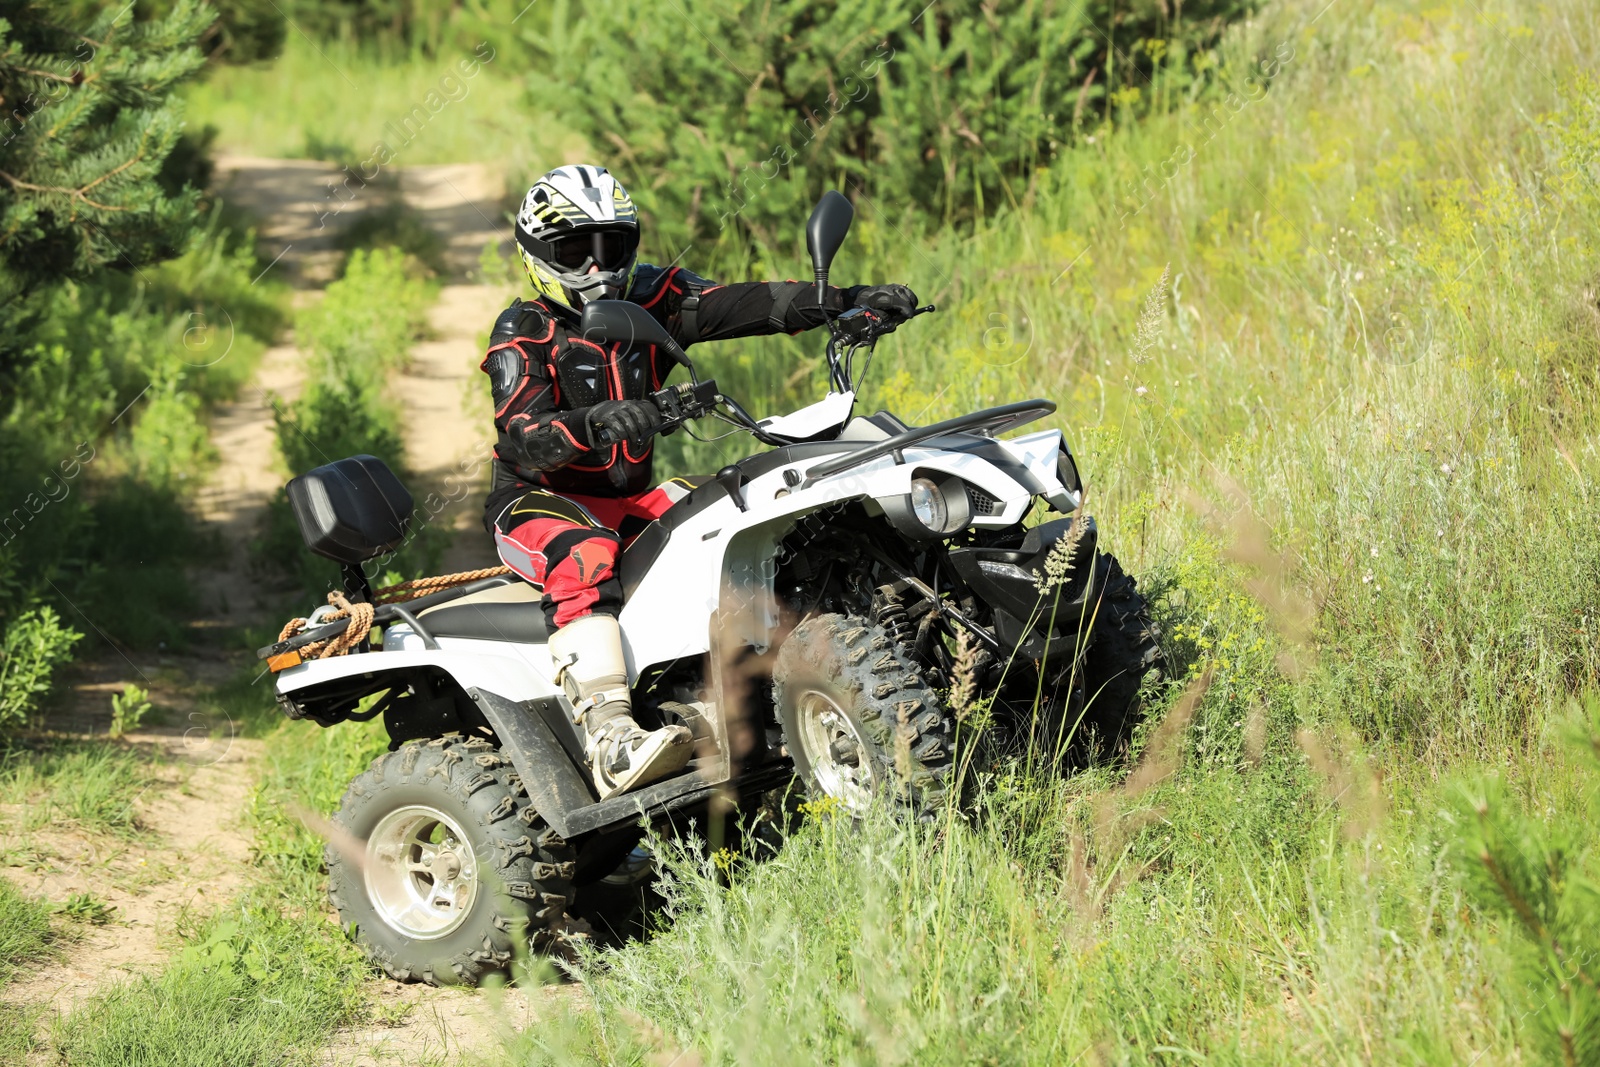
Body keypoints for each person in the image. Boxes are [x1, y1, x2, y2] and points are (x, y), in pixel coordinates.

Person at [481, 164, 918, 800]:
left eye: (612, 246)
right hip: (537, 500)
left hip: (632, 497)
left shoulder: (654, 296)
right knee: (585, 553)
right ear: (538, 254)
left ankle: (759, 685)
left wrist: (845, 299)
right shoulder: (523, 331)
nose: (598, 267)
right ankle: (610, 737)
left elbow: (744, 303)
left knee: (732, 517)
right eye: (575, 250)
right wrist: (598, 419)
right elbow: (524, 434)